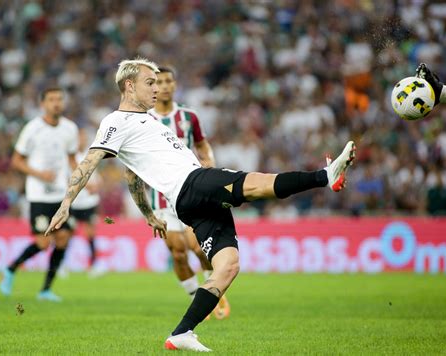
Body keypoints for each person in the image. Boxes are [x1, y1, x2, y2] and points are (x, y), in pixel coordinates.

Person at [45, 58, 356, 351]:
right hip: (192, 184)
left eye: (158, 82)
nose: (157, 88)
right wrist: (66, 203)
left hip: (188, 203)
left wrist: (148, 213)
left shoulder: (146, 120)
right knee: (258, 183)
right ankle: (325, 176)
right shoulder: (116, 121)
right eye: (150, 83)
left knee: (228, 266)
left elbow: (133, 175)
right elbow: (90, 160)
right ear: (129, 86)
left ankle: (181, 333)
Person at [148, 66, 230, 319]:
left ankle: (214, 289)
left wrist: (209, 165)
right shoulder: (145, 119)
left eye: (168, 81)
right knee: (178, 252)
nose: (164, 86)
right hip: (160, 196)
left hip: (190, 190)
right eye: (158, 81)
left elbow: (203, 146)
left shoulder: (188, 116)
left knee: (197, 247)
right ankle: (197, 298)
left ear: (174, 84)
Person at [0, 87, 78, 302]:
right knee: (43, 243)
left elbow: (71, 159)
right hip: (39, 195)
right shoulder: (32, 129)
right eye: (52, 99)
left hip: (60, 195)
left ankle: (45, 290)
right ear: (42, 103)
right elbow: (16, 161)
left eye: (60, 99)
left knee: (63, 239)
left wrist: (83, 179)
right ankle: (10, 269)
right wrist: (39, 174)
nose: (56, 103)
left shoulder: (69, 128)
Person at [69, 128, 102, 276]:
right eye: (79, 138)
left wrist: (96, 185)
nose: (82, 140)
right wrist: (88, 186)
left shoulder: (90, 155)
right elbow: (71, 176)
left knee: (90, 233)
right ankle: (63, 263)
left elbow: (96, 176)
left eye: (83, 137)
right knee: (67, 233)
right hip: (75, 202)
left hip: (89, 202)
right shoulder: (71, 157)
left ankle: (93, 264)